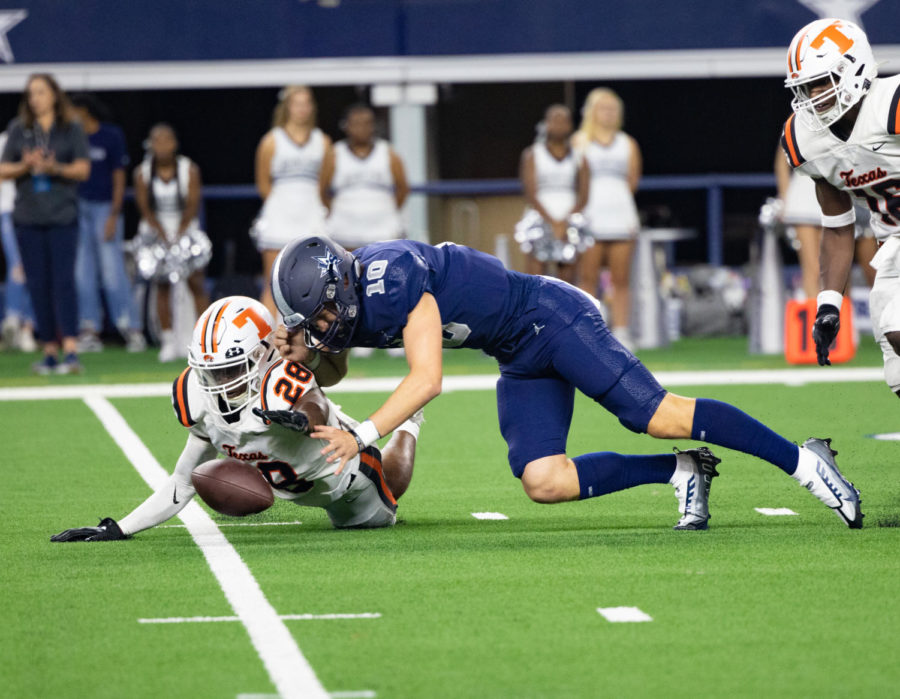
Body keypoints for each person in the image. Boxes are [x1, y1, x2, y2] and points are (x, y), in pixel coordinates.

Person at [269, 235, 863, 531]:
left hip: (550, 318)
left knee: (654, 414)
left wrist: (364, 434)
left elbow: (428, 379)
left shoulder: (391, 276)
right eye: (313, 321)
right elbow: (335, 363)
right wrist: (295, 356)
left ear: (341, 285)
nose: (323, 326)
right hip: (516, 352)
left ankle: (803, 462)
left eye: (321, 314)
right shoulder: (341, 310)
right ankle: (682, 471)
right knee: (542, 480)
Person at [49, 296, 423, 542]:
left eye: (230, 370)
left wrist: (301, 420)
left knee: (394, 483)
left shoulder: (280, 380)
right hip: (288, 479)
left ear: (262, 355)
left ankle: (410, 421)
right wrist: (119, 528)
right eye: (212, 372)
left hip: (343, 475)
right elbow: (182, 482)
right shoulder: (197, 395)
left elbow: (314, 404)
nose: (220, 382)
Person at [781, 18, 900, 387]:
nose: (813, 96)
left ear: (855, 69)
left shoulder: (890, 103)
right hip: (891, 243)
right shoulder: (806, 141)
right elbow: (836, 226)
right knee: (896, 371)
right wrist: (829, 305)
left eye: (821, 82)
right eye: (804, 87)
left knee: (897, 327)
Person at [0, 73, 90, 374]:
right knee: (37, 284)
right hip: (28, 218)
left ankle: (71, 349)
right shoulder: (19, 129)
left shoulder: (70, 128)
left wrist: (55, 167)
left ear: (54, 94)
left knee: (63, 282)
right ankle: (49, 349)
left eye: (40, 91)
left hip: (62, 216)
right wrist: (25, 165)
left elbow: (82, 169)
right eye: (31, 93)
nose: (35, 98)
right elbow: (2, 169)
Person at [69, 93, 144, 353]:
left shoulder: (111, 135)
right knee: (82, 272)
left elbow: (119, 176)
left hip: (105, 209)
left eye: (72, 111)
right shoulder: (72, 136)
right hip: (79, 209)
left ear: (84, 111)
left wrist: (114, 213)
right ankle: (89, 329)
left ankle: (131, 328)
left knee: (113, 272)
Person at [572, 88, 642, 350]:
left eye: (613, 109)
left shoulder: (628, 143)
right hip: (589, 218)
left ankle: (622, 331)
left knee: (621, 278)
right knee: (587, 276)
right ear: (591, 112)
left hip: (621, 216)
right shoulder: (578, 142)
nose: (609, 114)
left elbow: (632, 179)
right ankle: (590, 329)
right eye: (603, 108)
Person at [134, 123, 209, 362]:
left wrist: (179, 233)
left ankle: (205, 340)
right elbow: (145, 208)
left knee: (196, 281)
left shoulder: (189, 169)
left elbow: (192, 204)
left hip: (184, 228)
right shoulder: (143, 172)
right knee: (162, 284)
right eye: (157, 141)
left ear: (174, 144)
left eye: (167, 140)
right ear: (151, 145)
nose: (162, 146)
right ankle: (167, 341)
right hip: (157, 232)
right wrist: (162, 234)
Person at [254, 86, 330, 319]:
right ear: (287, 107)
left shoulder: (323, 141)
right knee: (272, 280)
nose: (302, 109)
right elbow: (263, 183)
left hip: (311, 216)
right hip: (279, 217)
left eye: (306, 103)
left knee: (318, 280)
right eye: (297, 103)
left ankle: (314, 338)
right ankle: (266, 337)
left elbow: (324, 183)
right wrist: (281, 207)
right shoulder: (271, 141)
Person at [774, 146, 877, 298]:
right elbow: (782, 160)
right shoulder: (798, 121)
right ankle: (816, 320)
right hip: (804, 202)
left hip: (837, 197)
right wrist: (784, 198)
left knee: (839, 271)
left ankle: (842, 320)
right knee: (814, 270)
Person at [320, 103, 408, 250]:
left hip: (383, 233)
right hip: (345, 233)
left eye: (367, 123)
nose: (362, 128)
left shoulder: (388, 152)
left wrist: (386, 210)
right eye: (356, 124)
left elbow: (402, 189)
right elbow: (322, 190)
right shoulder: (334, 154)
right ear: (346, 126)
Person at [519, 104, 589, 282]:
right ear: (546, 124)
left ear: (570, 125)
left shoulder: (580, 156)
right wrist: (551, 222)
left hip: (570, 220)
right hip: (540, 217)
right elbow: (530, 192)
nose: (559, 125)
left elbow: (584, 192)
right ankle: (534, 310)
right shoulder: (533, 154)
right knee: (535, 278)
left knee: (568, 280)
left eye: (563, 121)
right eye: (554, 120)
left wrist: (566, 221)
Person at [0, 129, 36, 352]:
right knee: (18, 267)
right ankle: (14, 320)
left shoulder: (40, 139)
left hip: (35, 211)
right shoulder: (4, 140)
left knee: (34, 270)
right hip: (8, 210)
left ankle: (26, 328)